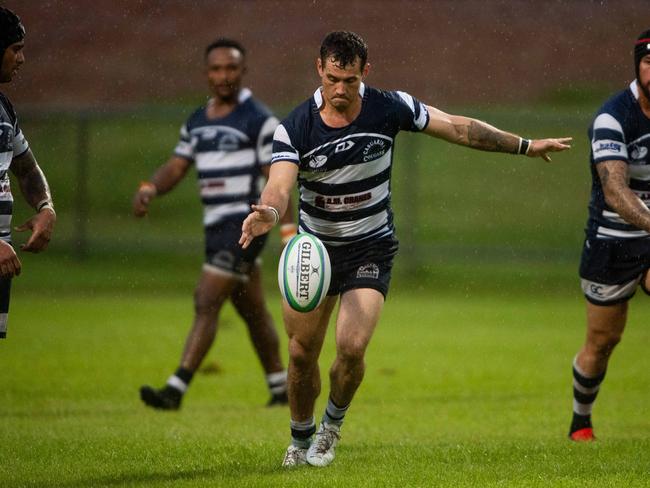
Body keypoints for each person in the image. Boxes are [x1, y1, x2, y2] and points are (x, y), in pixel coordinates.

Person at [239, 31, 572, 467]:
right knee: (302, 355)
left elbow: (457, 127)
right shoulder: (295, 127)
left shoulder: (389, 106)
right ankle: (299, 440)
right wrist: (267, 210)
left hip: (370, 246)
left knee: (352, 347)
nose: (341, 90)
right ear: (319, 68)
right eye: (334, 78)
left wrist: (524, 146)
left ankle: (330, 429)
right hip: (315, 252)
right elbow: (280, 185)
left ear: (366, 73)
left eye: (351, 80)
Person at [134, 38, 296, 410]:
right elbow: (177, 166)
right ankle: (279, 386)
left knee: (206, 299)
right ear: (207, 73)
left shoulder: (260, 120)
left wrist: (288, 233)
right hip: (214, 227)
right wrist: (150, 187)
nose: (224, 75)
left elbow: (278, 181)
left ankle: (176, 388)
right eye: (217, 68)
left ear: (243, 71)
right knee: (252, 310)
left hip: (244, 226)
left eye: (231, 68)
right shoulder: (197, 121)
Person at [568, 29, 650, 442]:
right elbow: (617, 193)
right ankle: (581, 420)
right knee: (602, 343)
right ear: (637, 65)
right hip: (611, 242)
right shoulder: (613, 117)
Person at [0, 7, 56, 340]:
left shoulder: (3, 108)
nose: (21, 59)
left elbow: (27, 168)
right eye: (15, 49)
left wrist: (45, 207)